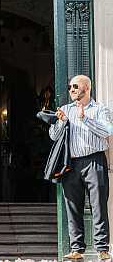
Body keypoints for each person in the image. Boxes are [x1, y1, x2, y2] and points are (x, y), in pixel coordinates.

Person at [49, 75, 113, 260]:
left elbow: (107, 131)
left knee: (98, 205)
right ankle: (77, 249)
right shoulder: (66, 109)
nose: (71, 90)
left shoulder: (100, 109)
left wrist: (85, 118)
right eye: (69, 87)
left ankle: (102, 249)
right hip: (71, 163)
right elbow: (53, 136)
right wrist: (60, 121)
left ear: (87, 88)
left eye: (75, 86)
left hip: (94, 161)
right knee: (72, 205)